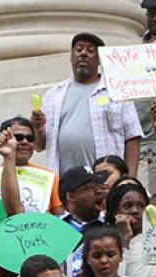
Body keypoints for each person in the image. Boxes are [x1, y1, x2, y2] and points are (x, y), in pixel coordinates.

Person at [31, 32, 143, 177]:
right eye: (79, 49)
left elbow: (132, 137)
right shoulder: (54, 95)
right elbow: (39, 146)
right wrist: (37, 127)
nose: (83, 54)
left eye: (91, 51)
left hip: (106, 182)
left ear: (100, 60)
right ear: (71, 57)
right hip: (65, 184)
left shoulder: (116, 92)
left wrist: (129, 179)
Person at [0, 116, 62, 215]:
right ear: (3, 138)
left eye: (30, 138)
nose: (25, 142)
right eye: (18, 137)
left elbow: (59, 217)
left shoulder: (49, 177)